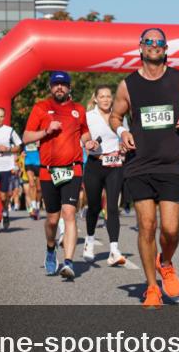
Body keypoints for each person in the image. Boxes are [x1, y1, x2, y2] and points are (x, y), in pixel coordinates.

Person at [110, 28, 179, 309]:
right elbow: (115, 115)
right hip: (139, 163)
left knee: (171, 230)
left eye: (158, 43)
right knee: (147, 226)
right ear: (140, 47)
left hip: (171, 163)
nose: (153, 46)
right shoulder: (128, 85)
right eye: (148, 42)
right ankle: (152, 287)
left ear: (165, 49)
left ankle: (166, 262)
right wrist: (121, 132)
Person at [23, 71, 93, 281]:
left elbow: (84, 132)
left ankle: (69, 261)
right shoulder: (41, 108)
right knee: (52, 220)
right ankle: (51, 248)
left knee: (69, 213)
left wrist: (89, 142)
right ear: (50, 87)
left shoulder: (78, 110)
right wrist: (46, 131)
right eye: (56, 84)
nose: (59, 88)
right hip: (48, 171)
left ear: (69, 87)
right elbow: (26, 137)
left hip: (73, 168)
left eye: (63, 85)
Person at [83, 85, 127, 266]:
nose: (106, 99)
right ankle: (90, 241)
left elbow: (125, 137)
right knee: (93, 207)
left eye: (109, 96)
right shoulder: (88, 117)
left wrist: (124, 148)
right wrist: (88, 143)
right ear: (95, 98)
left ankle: (114, 250)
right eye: (102, 96)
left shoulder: (118, 116)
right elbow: (83, 136)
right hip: (94, 164)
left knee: (112, 207)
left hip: (115, 165)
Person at [23, 140, 42, 220]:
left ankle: (37, 206)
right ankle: (33, 207)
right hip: (28, 161)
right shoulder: (26, 135)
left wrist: (40, 144)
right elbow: (20, 146)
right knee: (31, 184)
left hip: (38, 162)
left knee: (39, 189)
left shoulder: (40, 135)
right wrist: (22, 152)